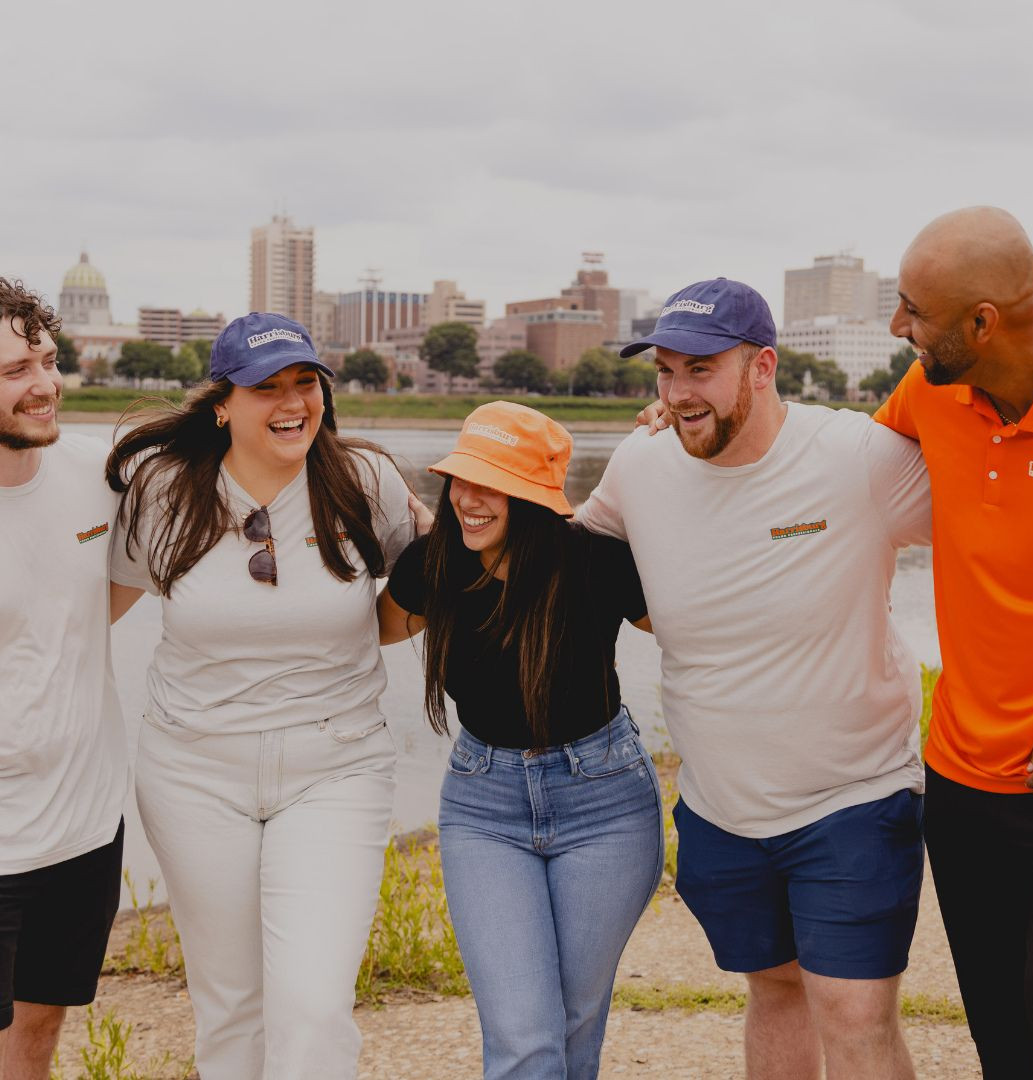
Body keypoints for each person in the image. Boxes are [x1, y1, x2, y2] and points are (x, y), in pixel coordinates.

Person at [577, 278, 932, 1080]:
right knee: (774, 991)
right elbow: (562, 552)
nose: (676, 393)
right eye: (665, 372)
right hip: (720, 808)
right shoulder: (640, 465)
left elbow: (1005, 529)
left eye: (700, 370)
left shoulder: (857, 456)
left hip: (855, 795)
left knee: (853, 1009)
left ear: (762, 366)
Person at [107, 313, 414, 1080]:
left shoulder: (365, 480)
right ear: (222, 403)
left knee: (311, 1008)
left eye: (305, 382)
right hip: (191, 775)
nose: (291, 402)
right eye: (266, 387)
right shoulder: (162, 489)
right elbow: (88, 611)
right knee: (231, 1009)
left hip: (335, 768)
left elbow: (423, 592)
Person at [377, 401, 664, 1080]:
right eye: (461, 481)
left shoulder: (596, 563)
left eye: (493, 484)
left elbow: (697, 625)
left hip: (605, 805)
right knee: (523, 1035)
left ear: (532, 497)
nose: (470, 501)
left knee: (571, 1022)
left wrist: (671, 452)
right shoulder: (435, 562)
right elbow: (367, 629)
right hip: (485, 808)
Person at [879, 206, 1033, 1080]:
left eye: (912, 310)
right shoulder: (931, 392)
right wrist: (692, 433)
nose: (899, 328)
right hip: (960, 784)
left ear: (982, 323)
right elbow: (829, 469)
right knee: (1001, 1031)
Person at [0, 279, 127, 1080]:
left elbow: (100, 599)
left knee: (39, 1032)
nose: (44, 384)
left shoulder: (95, 475)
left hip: (83, 825)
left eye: (46, 360)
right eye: (15, 371)